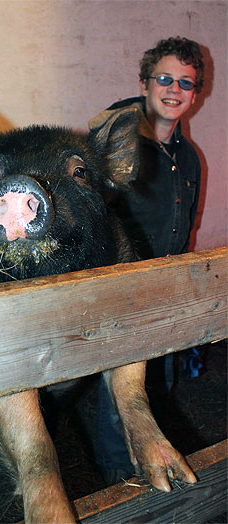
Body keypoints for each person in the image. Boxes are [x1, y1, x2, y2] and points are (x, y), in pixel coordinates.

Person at [88, 36, 205, 486]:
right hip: (123, 294)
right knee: (122, 397)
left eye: (186, 83)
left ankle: (157, 474)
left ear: (195, 94)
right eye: (164, 78)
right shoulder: (114, 149)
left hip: (167, 293)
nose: (174, 89)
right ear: (144, 83)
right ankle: (121, 484)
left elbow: (185, 226)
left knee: (161, 381)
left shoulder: (190, 158)